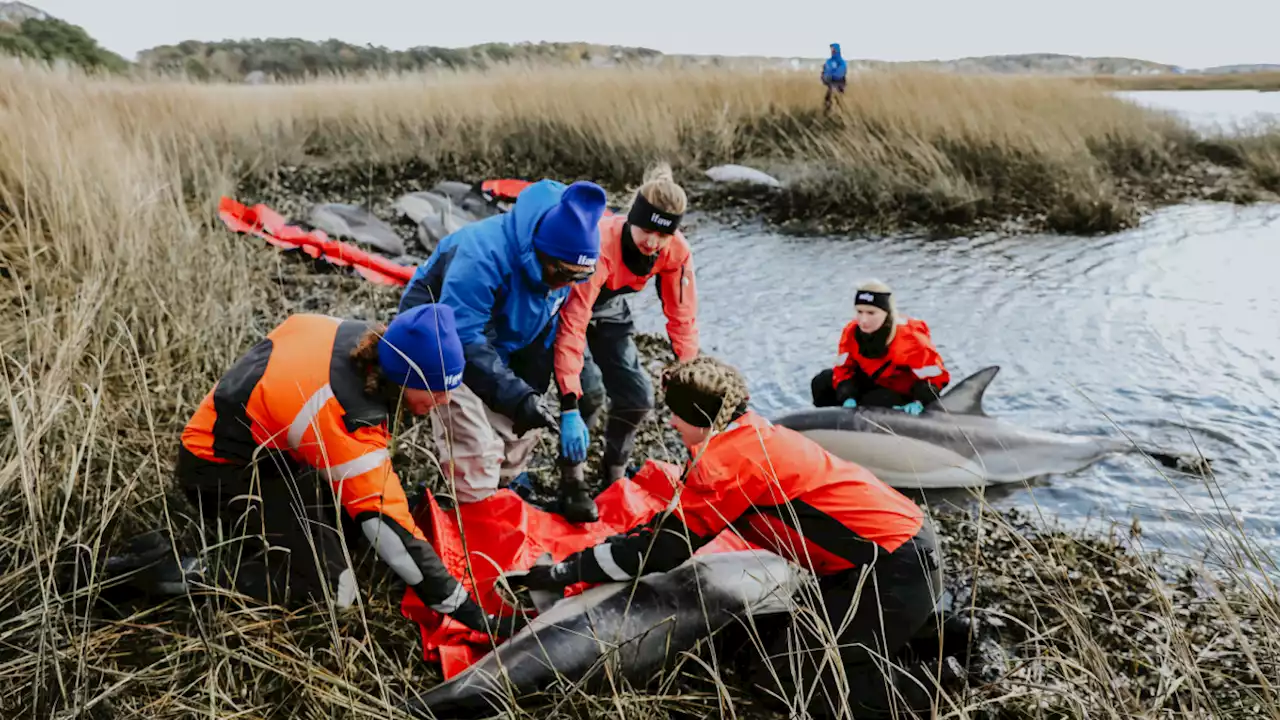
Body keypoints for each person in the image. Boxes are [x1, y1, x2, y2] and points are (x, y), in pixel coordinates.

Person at [507, 354, 945, 718]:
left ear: (698, 417)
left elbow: (659, 551)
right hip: (890, 552)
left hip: (893, 566)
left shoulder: (724, 465)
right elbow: (665, 529)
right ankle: (926, 636)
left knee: (782, 683)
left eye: (676, 414)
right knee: (771, 651)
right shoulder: (750, 432)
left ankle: (934, 697)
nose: (673, 425)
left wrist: (563, 571)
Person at [138, 305, 526, 637]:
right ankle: (179, 571)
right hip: (221, 470)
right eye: (436, 391)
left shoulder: (361, 338)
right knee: (333, 591)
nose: (443, 402)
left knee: (350, 531)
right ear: (404, 377)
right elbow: (388, 528)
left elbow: (292, 329)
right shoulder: (346, 418)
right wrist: (470, 614)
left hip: (277, 450)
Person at [398, 178, 608, 511]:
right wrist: (516, 395)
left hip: (502, 344)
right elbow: (465, 338)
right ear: (539, 250)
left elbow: (544, 332)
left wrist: (534, 397)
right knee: (477, 448)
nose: (568, 284)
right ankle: (473, 522)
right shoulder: (480, 255)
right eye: (563, 273)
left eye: (579, 276)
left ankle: (497, 492)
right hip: (439, 345)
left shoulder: (561, 270)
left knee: (522, 432)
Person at [548, 162, 700, 523]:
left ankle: (614, 472)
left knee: (637, 399)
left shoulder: (675, 251)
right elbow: (573, 325)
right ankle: (573, 479)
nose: (652, 242)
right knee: (590, 394)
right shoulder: (599, 243)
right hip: (571, 301)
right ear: (632, 218)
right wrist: (568, 403)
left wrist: (688, 370)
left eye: (662, 235)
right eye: (646, 229)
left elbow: (683, 315)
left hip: (613, 307)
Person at [811, 280, 950, 414]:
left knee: (874, 401)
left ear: (887, 313)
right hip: (872, 379)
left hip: (901, 392)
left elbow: (935, 378)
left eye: (871, 313)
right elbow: (843, 369)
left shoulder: (912, 340)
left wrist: (921, 401)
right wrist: (847, 395)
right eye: (859, 312)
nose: (863, 320)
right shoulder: (851, 332)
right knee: (822, 382)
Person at [821, 42, 848, 113]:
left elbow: (840, 73)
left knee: (838, 101)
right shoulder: (829, 61)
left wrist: (831, 76)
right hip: (830, 84)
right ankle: (827, 115)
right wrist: (823, 77)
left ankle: (840, 115)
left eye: (833, 49)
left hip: (838, 84)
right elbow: (825, 71)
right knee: (827, 100)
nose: (832, 50)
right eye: (831, 49)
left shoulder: (841, 62)